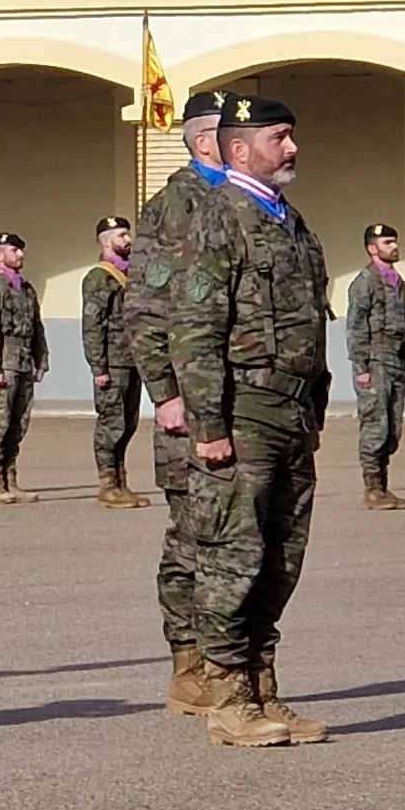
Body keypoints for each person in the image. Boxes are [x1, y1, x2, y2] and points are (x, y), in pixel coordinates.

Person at [163, 94, 337, 749]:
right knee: (231, 557)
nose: (292, 148)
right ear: (239, 149)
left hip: (290, 410)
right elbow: (194, 329)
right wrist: (208, 425)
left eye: (291, 136)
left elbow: (311, 323)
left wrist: (314, 409)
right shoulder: (220, 217)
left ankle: (264, 690)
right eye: (279, 137)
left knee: (280, 559)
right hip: (242, 412)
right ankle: (227, 700)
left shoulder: (289, 221)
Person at [129, 89, 232, 716]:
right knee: (192, 536)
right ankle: (188, 666)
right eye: (226, 131)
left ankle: (231, 666)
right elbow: (146, 307)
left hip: (237, 401)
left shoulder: (244, 201)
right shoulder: (174, 205)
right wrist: (165, 392)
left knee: (237, 540)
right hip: (189, 403)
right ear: (202, 141)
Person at [83, 216, 150, 509]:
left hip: (132, 360)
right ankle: (107, 485)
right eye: (121, 235)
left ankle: (121, 482)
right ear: (106, 240)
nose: (127, 239)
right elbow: (92, 325)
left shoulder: (130, 274)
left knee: (128, 423)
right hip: (112, 363)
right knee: (111, 423)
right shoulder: (99, 278)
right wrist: (98, 367)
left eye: (127, 234)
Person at [349, 222, 405, 510]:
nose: (394, 246)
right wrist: (361, 367)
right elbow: (355, 326)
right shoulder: (365, 282)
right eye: (387, 242)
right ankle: (373, 489)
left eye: (394, 241)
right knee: (375, 426)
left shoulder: (397, 281)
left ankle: (383, 487)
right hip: (375, 360)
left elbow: (403, 321)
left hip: (396, 360)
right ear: (371, 248)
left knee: (392, 429)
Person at [0, 231, 45, 505]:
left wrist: (41, 360)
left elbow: (37, 326)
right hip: (4, 364)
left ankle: (10, 479)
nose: (20, 255)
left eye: (20, 250)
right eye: (14, 250)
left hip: (23, 363)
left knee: (19, 424)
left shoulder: (26, 288)